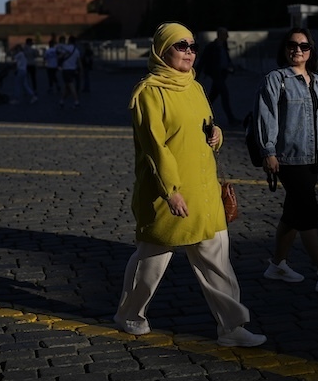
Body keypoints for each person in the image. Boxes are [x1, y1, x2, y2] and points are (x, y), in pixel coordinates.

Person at [114, 21, 266, 347]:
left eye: (193, 46)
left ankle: (231, 329)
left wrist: (217, 134)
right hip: (169, 193)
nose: (189, 52)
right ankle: (130, 315)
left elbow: (207, 127)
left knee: (218, 264)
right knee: (150, 264)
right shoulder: (149, 93)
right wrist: (171, 191)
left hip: (205, 191)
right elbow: (155, 147)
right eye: (181, 45)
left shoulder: (195, 86)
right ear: (161, 49)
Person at [252, 27, 318, 292]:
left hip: (314, 158)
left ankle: (277, 264)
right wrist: (269, 151)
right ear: (284, 48)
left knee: (294, 211)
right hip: (288, 157)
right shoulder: (277, 79)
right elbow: (265, 117)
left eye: (304, 46)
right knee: (308, 211)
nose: (297, 50)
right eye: (292, 45)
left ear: (311, 51)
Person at [195, 27, 240, 124]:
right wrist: (196, 75)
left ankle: (200, 113)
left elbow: (226, 59)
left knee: (212, 97)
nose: (227, 36)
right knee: (224, 94)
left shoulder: (224, 45)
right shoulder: (211, 46)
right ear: (220, 35)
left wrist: (230, 67)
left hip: (222, 74)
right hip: (215, 74)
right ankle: (231, 119)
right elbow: (202, 61)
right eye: (225, 34)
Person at [57, 35, 81, 108]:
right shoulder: (76, 50)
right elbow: (79, 62)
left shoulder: (66, 49)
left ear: (69, 41)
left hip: (66, 69)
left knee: (70, 85)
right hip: (73, 69)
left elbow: (59, 57)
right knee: (67, 87)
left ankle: (76, 101)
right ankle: (62, 101)